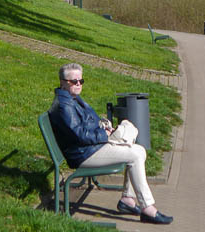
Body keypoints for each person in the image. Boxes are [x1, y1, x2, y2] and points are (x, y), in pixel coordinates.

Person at [48, 62, 173, 225]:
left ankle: (127, 200)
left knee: (139, 150)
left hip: (90, 148)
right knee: (135, 155)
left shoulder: (72, 98)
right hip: (83, 154)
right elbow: (80, 135)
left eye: (81, 81)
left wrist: (105, 127)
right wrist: (105, 134)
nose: (78, 84)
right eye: (74, 81)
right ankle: (148, 208)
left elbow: (87, 124)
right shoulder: (64, 106)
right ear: (62, 82)